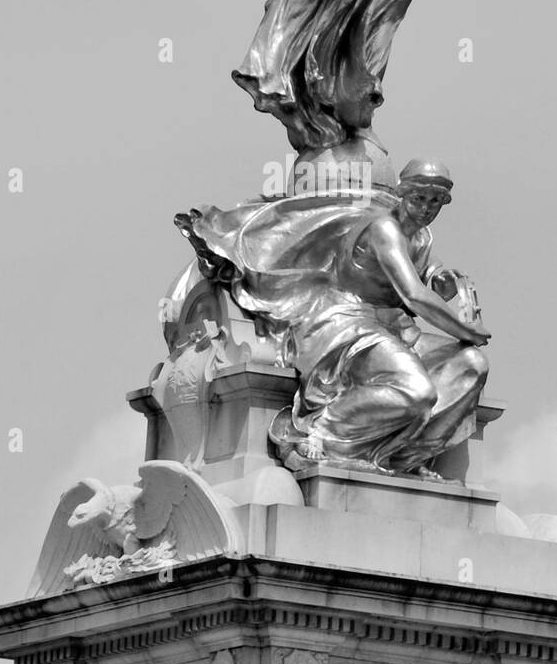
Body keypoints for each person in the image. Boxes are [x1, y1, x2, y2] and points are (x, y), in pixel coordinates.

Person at [177, 159, 490, 477]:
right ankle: (317, 435)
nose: (426, 207)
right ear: (402, 193)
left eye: (435, 201)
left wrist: (442, 280)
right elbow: (413, 295)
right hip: (348, 325)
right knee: (417, 391)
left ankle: (401, 457)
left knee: (471, 365)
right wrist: (464, 328)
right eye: (420, 198)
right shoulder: (384, 229)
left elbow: (426, 276)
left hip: (396, 330)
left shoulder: (421, 238)